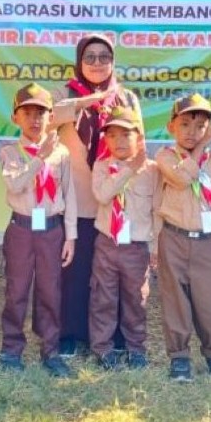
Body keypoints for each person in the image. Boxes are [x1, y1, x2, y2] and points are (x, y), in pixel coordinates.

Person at [51, 33, 142, 358]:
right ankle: (70, 334)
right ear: (79, 61)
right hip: (77, 197)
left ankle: (112, 335)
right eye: (90, 57)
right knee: (74, 272)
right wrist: (89, 101)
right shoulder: (64, 93)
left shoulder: (127, 98)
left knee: (112, 276)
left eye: (105, 57)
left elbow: (138, 145)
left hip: (115, 200)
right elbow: (49, 118)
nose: (97, 63)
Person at [0, 83, 76, 378]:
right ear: (15, 117)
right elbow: (15, 184)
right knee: (16, 290)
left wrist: (71, 236)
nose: (34, 119)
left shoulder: (62, 153)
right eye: (27, 113)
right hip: (21, 228)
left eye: (41, 113)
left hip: (52, 231)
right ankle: (11, 349)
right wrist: (39, 158)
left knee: (50, 291)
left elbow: (69, 195)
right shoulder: (10, 152)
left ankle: (50, 350)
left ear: (51, 117)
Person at [155, 94, 211, 382]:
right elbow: (182, 179)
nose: (192, 132)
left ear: (208, 128)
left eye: (200, 126)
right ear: (171, 127)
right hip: (174, 237)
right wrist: (201, 147)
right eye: (185, 124)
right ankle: (179, 356)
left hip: (209, 240)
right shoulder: (165, 157)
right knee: (175, 300)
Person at [90, 106, 160, 370]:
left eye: (125, 135)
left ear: (139, 138)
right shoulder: (101, 166)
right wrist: (129, 169)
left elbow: (157, 210)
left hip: (136, 246)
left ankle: (136, 348)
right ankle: (103, 348)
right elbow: (103, 195)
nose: (118, 141)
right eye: (112, 135)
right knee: (103, 298)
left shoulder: (152, 170)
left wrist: (155, 246)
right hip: (107, 244)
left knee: (136, 299)